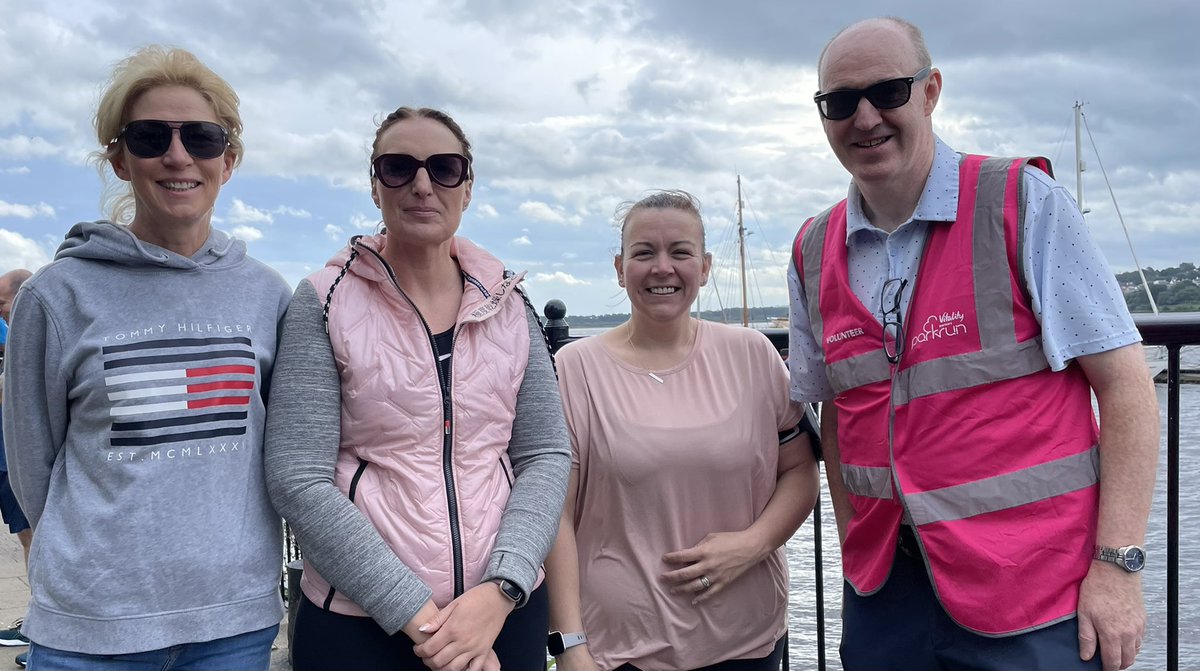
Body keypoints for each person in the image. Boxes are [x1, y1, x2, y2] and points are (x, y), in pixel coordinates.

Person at [788, 17, 1160, 671]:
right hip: (888, 598)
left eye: (888, 92)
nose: (865, 117)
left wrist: (1119, 564)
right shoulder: (814, 250)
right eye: (841, 102)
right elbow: (839, 413)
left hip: (1035, 595)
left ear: (930, 91)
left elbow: (1126, 386)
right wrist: (853, 544)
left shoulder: (1022, 203)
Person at [1, 45, 290, 669]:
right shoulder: (55, 296)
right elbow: (32, 466)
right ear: (120, 158)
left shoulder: (267, 294)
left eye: (202, 138)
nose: (178, 156)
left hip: (233, 625)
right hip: (90, 632)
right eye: (151, 136)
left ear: (229, 160)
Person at [265, 106, 571, 671]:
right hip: (357, 624)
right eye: (399, 167)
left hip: (501, 616)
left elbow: (545, 453)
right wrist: (421, 618)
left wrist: (502, 588)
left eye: (445, 168)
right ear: (375, 186)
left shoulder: (510, 304)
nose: (423, 185)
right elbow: (297, 476)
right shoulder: (325, 300)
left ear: (468, 186)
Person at [545, 190, 821, 670]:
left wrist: (751, 545)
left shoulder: (753, 355)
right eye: (644, 253)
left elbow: (799, 471)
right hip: (620, 649)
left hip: (746, 642)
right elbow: (556, 516)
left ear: (706, 265)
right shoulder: (574, 368)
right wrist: (568, 643)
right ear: (619, 266)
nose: (662, 268)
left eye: (680, 252)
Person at [0, 270, 34, 663]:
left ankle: (39, 628)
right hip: (10, 457)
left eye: (2, 304)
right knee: (29, 537)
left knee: (33, 537)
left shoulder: (26, 337)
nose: (2, 314)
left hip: (15, 459)